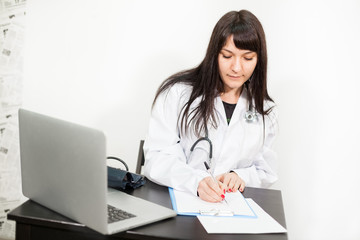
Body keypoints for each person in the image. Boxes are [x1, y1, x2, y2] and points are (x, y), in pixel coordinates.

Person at [143, 10, 278, 203]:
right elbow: (156, 158)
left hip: (229, 209)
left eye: (247, 58)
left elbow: (265, 170)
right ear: (214, 54)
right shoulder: (177, 94)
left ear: (258, 60)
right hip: (179, 204)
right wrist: (196, 181)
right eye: (227, 55)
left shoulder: (265, 111)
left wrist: (239, 176)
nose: (237, 67)